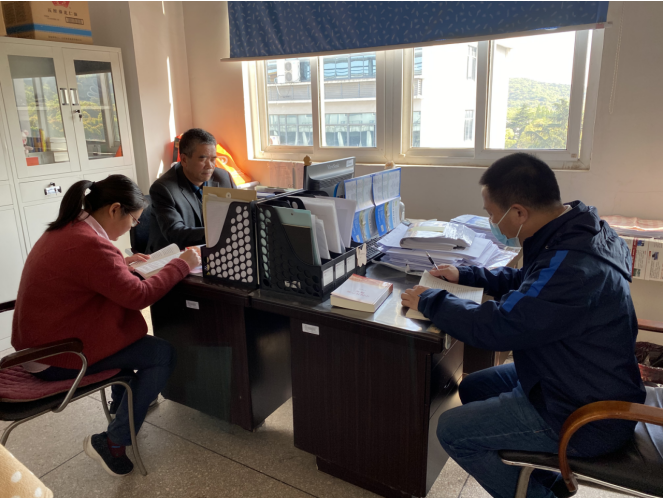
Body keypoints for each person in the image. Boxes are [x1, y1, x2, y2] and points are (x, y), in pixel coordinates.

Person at [400, 153, 645, 498]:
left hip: (584, 414)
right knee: (474, 388)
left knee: (452, 430)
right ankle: (544, 483)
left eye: (491, 214)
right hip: (572, 375)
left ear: (518, 212)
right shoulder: (578, 230)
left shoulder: (573, 266)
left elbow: (501, 327)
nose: (492, 222)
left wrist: (431, 301)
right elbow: (532, 282)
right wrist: (468, 275)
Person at [12, 175, 201, 477]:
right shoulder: (90, 244)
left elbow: (82, 274)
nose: (132, 227)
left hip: (39, 346)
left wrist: (122, 265)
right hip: (58, 356)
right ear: (115, 209)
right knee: (161, 354)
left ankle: (121, 407)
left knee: (132, 345)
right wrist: (182, 264)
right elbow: (139, 296)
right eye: (134, 220)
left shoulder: (70, 227)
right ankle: (113, 442)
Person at [147, 128, 236, 253]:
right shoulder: (163, 188)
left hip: (213, 250)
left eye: (213, 159)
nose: (210, 166)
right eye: (203, 159)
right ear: (184, 160)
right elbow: (176, 234)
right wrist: (221, 232)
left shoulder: (224, 178)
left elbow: (238, 215)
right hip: (174, 255)